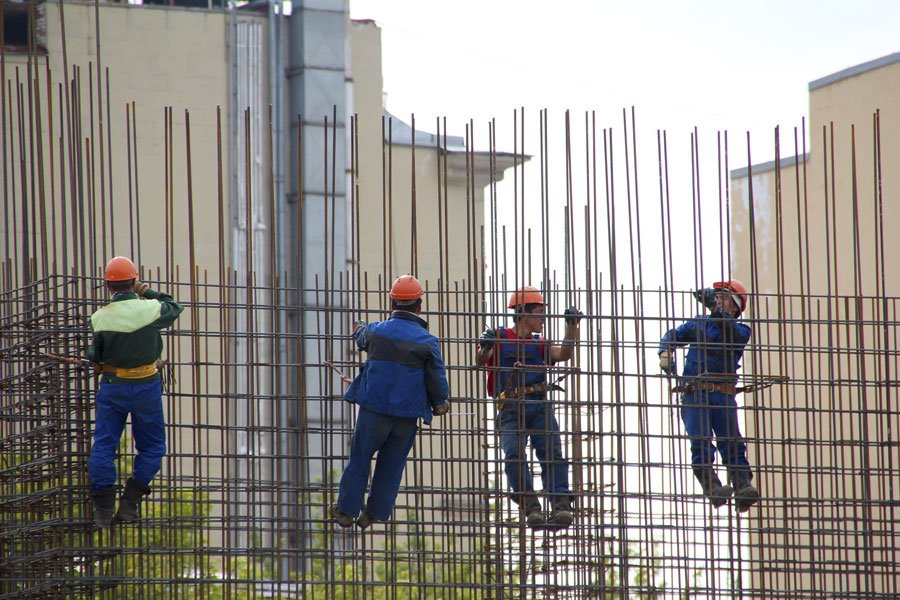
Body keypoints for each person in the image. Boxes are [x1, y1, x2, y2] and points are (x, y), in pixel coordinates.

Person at [331, 275, 450, 529]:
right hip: (406, 417)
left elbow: (361, 337)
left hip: (374, 411)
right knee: (392, 465)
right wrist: (440, 401)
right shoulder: (428, 341)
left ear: (392, 303)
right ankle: (374, 514)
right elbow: (437, 375)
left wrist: (358, 327)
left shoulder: (376, 331)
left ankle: (346, 511)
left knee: (360, 459)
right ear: (419, 306)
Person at [87, 256, 184, 527]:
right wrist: (146, 291)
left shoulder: (99, 318)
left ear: (108, 286)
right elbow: (174, 306)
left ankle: (103, 508)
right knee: (153, 447)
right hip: (146, 386)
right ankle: (130, 502)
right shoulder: (151, 309)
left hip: (113, 387)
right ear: (134, 280)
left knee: (104, 445)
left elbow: (96, 354)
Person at [476, 286, 583, 528]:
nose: (543, 319)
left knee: (552, 452)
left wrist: (571, 327)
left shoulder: (540, 343)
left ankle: (560, 505)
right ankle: (530, 505)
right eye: (540, 313)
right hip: (510, 407)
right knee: (513, 453)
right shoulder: (499, 336)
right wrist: (486, 346)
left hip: (539, 406)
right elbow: (481, 360)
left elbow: (564, 353)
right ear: (524, 313)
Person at [658, 279, 760, 512]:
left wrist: (715, 308)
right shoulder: (699, 324)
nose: (718, 300)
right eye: (716, 296)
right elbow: (674, 334)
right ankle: (713, 488)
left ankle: (742, 486)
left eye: (723, 297)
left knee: (732, 442)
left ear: (735, 306)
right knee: (700, 443)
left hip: (722, 395)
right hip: (695, 395)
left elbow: (729, 330)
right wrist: (665, 350)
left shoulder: (741, 330)